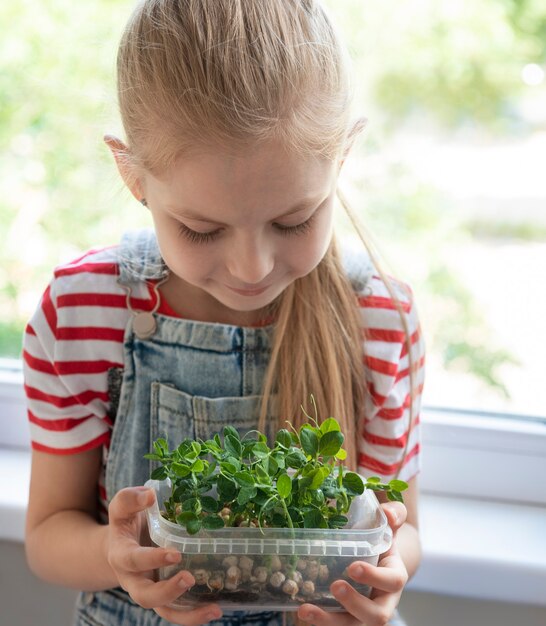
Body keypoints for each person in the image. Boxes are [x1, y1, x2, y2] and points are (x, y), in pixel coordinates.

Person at [22, 2, 425, 626]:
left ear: (342, 157)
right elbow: (49, 535)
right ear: (133, 176)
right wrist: (116, 553)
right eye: (201, 229)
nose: (251, 268)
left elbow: (405, 529)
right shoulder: (84, 310)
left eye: (293, 220)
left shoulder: (379, 319)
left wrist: (385, 573)